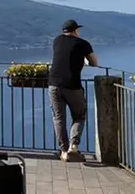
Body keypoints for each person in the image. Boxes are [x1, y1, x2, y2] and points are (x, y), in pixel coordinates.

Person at [49, 19, 98, 162]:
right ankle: (74, 145)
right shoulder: (83, 43)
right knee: (79, 116)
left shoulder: (56, 41)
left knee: (58, 118)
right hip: (72, 85)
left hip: (53, 84)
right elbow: (94, 62)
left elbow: (65, 56)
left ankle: (63, 151)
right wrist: (85, 60)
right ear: (75, 30)